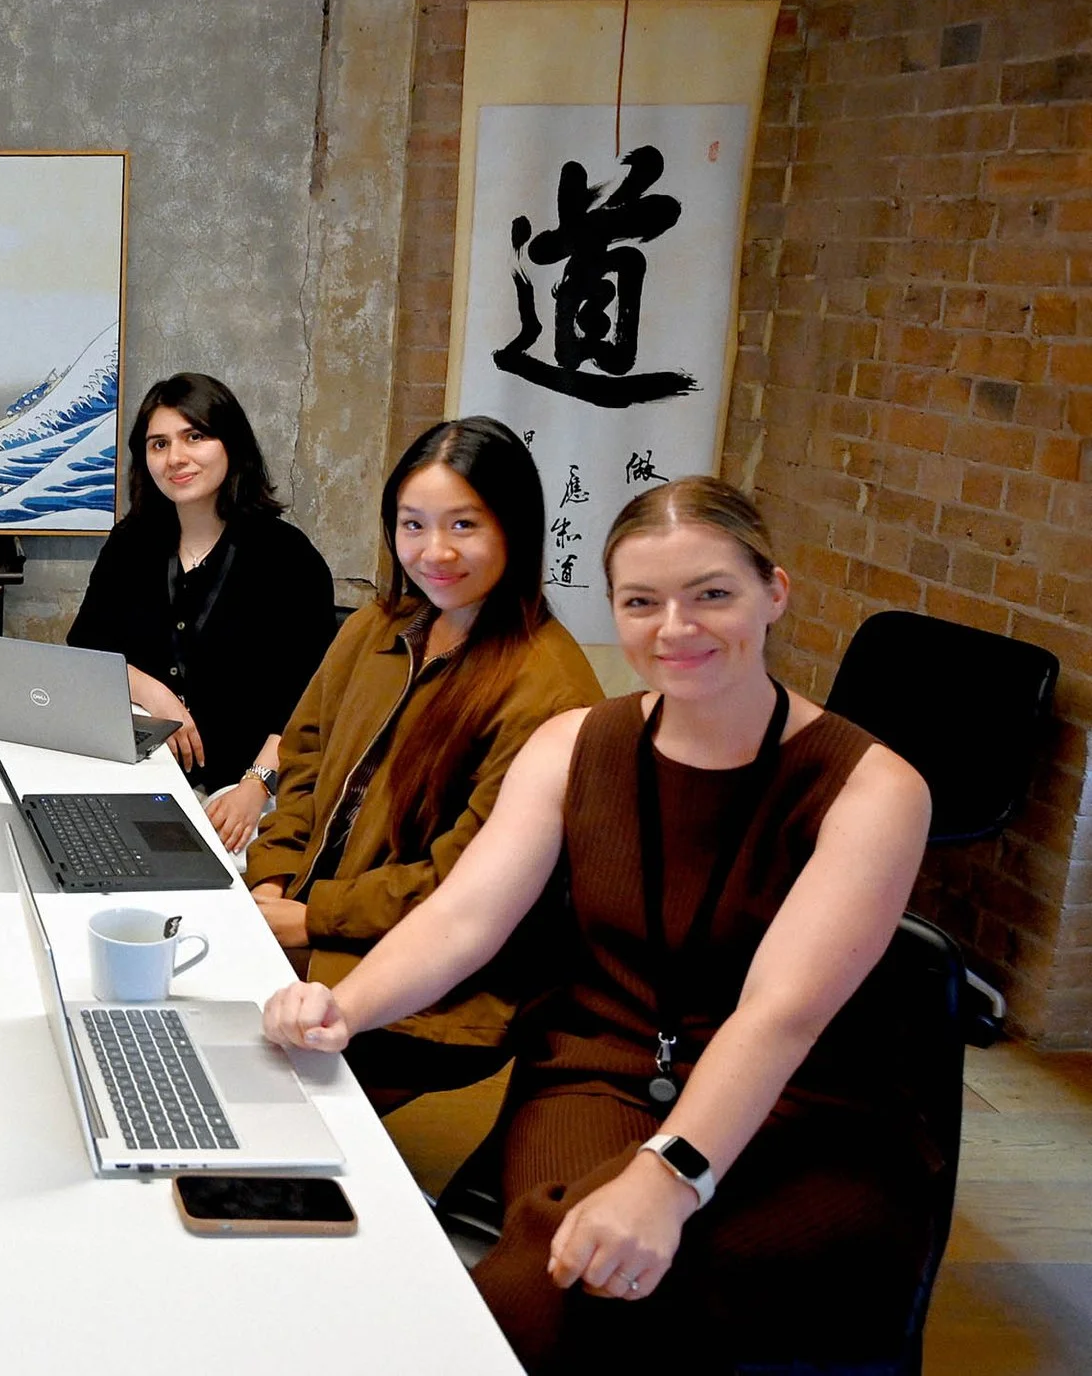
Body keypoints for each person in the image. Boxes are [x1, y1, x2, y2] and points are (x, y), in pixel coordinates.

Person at [262, 477, 933, 1373]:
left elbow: (782, 1015)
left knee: (605, 1284)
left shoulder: (874, 786)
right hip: (598, 1071)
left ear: (775, 592)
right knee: (567, 1269)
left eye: (713, 595)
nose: (676, 629)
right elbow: (465, 919)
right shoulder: (576, 743)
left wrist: (670, 1177)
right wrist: (346, 1008)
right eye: (641, 602)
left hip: (801, 1109)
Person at [243, 417, 601, 1112]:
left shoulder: (550, 689)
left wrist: (309, 918)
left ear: (515, 529)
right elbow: (305, 758)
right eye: (413, 525)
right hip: (306, 930)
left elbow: (461, 882)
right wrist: (271, 881)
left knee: (245, 1102)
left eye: (464, 526)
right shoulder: (376, 626)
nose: (434, 552)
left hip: (433, 993)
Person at [66, 372, 336, 843]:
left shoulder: (288, 558)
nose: (176, 458)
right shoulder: (131, 543)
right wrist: (156, 694)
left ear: (231, 444)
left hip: (249, 786)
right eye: (158, 444)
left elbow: (307, 702)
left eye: (195, 437)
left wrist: (255, 788)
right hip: (141, 772)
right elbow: (85, 651)